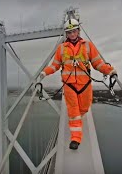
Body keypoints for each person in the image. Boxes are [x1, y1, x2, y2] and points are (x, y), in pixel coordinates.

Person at [40, 18, 117, 150]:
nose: (72, 34)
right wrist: (44, 73)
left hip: (85, 84)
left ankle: (78, 121)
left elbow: (97, 63)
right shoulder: (61, 49)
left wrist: (110, 71)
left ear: (78, 31)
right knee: (74, 112)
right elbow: (55, 65)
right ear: (66, 34)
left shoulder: (88, 46)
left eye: (74, 31)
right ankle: (76, 138)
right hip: (69, 85)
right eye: (69, 32)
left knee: (84, 108)